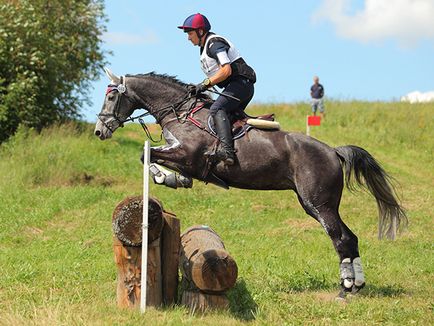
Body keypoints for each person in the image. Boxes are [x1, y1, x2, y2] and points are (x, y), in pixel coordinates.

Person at [178, 13, 256, 165]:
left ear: (201, 32)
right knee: (225, 116)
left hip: (241, 85)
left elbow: (226, 70)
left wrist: (205, 84)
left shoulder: (214, 44)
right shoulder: (205, 47)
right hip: (238, 86)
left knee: (216, 109)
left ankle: (227, 152)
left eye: (190, 33)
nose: (188, 38)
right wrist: (200, 87)